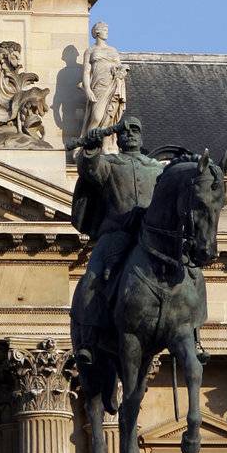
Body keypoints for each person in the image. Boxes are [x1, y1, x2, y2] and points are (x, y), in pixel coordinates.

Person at [70, 116, 164, 363]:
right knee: (92, 278)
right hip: (116, 235)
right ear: (118, 137)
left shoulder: (156, 168)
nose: (131, 134)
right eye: (126, 130)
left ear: (141, 136)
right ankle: (88, 337)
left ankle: (193, 337)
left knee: (185, 273)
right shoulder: (110, 164)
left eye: (136, 130)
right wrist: (91, 149)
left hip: (149, 237)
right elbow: (90, 169)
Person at [79, 21, 128, 143]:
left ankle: (105, 146)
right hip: (98, 86)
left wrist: (123, 71)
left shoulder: (113, 50)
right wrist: (87, 89)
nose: (107, 32)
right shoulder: (90, 51)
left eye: (107, 30)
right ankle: (86, 144)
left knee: (108, 118)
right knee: (96, 117)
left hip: (112, 84)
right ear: (97, 32)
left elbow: (119, 67)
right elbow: (86, 72)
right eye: (104, 30)